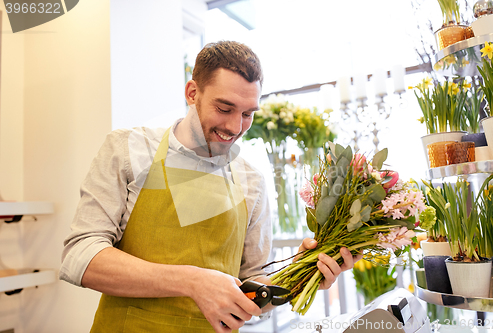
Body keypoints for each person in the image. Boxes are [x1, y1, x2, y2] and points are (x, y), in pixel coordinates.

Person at [60, 41, 359, 333]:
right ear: (193, 92)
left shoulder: (251, 180)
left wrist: (302, 275)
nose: (234, 127)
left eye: (247, 114)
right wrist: (192, 282)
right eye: (224, 108)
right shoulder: (129, 149)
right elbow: (81, 256)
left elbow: (252, 285)